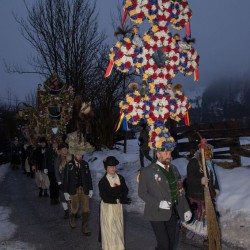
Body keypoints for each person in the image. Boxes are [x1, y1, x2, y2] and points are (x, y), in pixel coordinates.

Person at [138, 148, 191, 250]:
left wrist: (186, 209)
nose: (169, 155)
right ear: (158, 154)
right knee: (164, 245)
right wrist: (159, 203)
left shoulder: (174, 169)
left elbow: (180, 191)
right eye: (165, 153)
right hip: (155, 213)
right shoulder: (147, 171)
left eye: (170, 152)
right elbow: (142, 193)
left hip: (172, 213)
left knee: (171, 244)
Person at [182, 142, 220, 240]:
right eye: (207, 151)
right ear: (201, 151)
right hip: (196, 194)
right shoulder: (194, 162)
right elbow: (190, 178)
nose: (209, 154)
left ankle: (208, 236)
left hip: (208, 194)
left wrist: (216, 188)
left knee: (209, 216)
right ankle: (185, 229)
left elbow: (213, 178)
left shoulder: (209, 163)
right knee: (196, 216)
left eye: (210, 152)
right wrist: (201, 180)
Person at [98, 156, 131, 250]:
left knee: (118, 227)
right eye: (110, 166)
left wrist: (123, 197)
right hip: (108, 207)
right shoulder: (103, 182)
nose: (113, 168)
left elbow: (125, 189)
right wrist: (119, 200)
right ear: (106, 168)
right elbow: (105, 197)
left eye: (114, 166)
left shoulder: (120, 178)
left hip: (118, 207)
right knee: (109, 229)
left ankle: (119, 247)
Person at [63, 148, 93, 236]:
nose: (80, 156)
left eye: (81, 155)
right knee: (75, 209)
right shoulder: (69, 165)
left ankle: (85, 227)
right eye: (78, 155)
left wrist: (91, 189)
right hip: (73, 190)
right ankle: (72, 217)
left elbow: (89, 178)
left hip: (84, 189)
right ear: (74, 155)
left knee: (86, 209)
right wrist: (66, 192)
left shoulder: (85, 164)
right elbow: (65, 180)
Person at [54, 142, 72, 219]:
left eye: (66, 148)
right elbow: (56, 171)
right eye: (63, 149)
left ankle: (73, 212)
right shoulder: (57, 159)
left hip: (71, 180)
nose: (65, 150)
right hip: (62, 180)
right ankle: (66, 212)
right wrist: (59, 182)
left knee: (72, 197)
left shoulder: (71, 157)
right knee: (63, 197)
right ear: (60, 150)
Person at [47, 141, 60, 205]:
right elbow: (45, 159)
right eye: (53, 143)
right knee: (52, 184)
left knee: (57, 184)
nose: (55, 145)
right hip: (51, 170)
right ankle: (52, 198)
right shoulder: (48, 150)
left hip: (58, 170)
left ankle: (56, 198)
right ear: (51, 144)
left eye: (56, 143)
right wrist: (45, 168)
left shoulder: (60, 151)